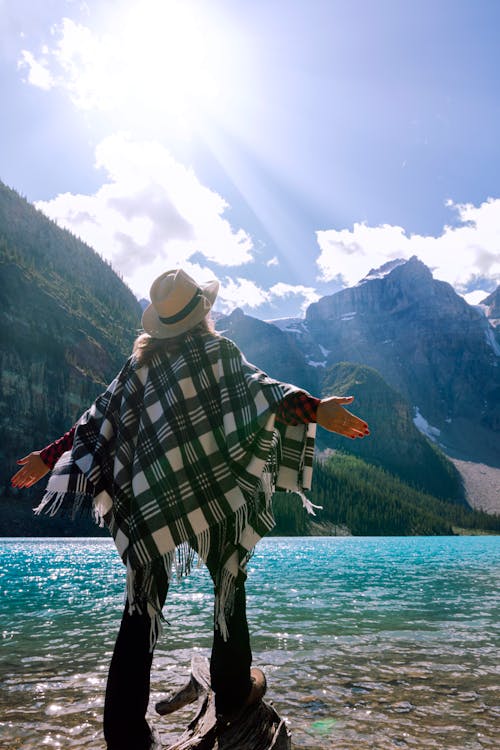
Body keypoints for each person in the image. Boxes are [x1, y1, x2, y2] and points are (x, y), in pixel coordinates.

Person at [11, 268, 369, 750]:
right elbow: (266, 394)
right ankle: (234, 691)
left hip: (149, 500)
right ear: (202, 313)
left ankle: (123, 734)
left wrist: (46, 457)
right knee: (228, 582)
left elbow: (93, 424)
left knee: (139, 610)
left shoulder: (138, 368)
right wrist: (316, 409)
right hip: (214, 492)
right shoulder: (218, 354)